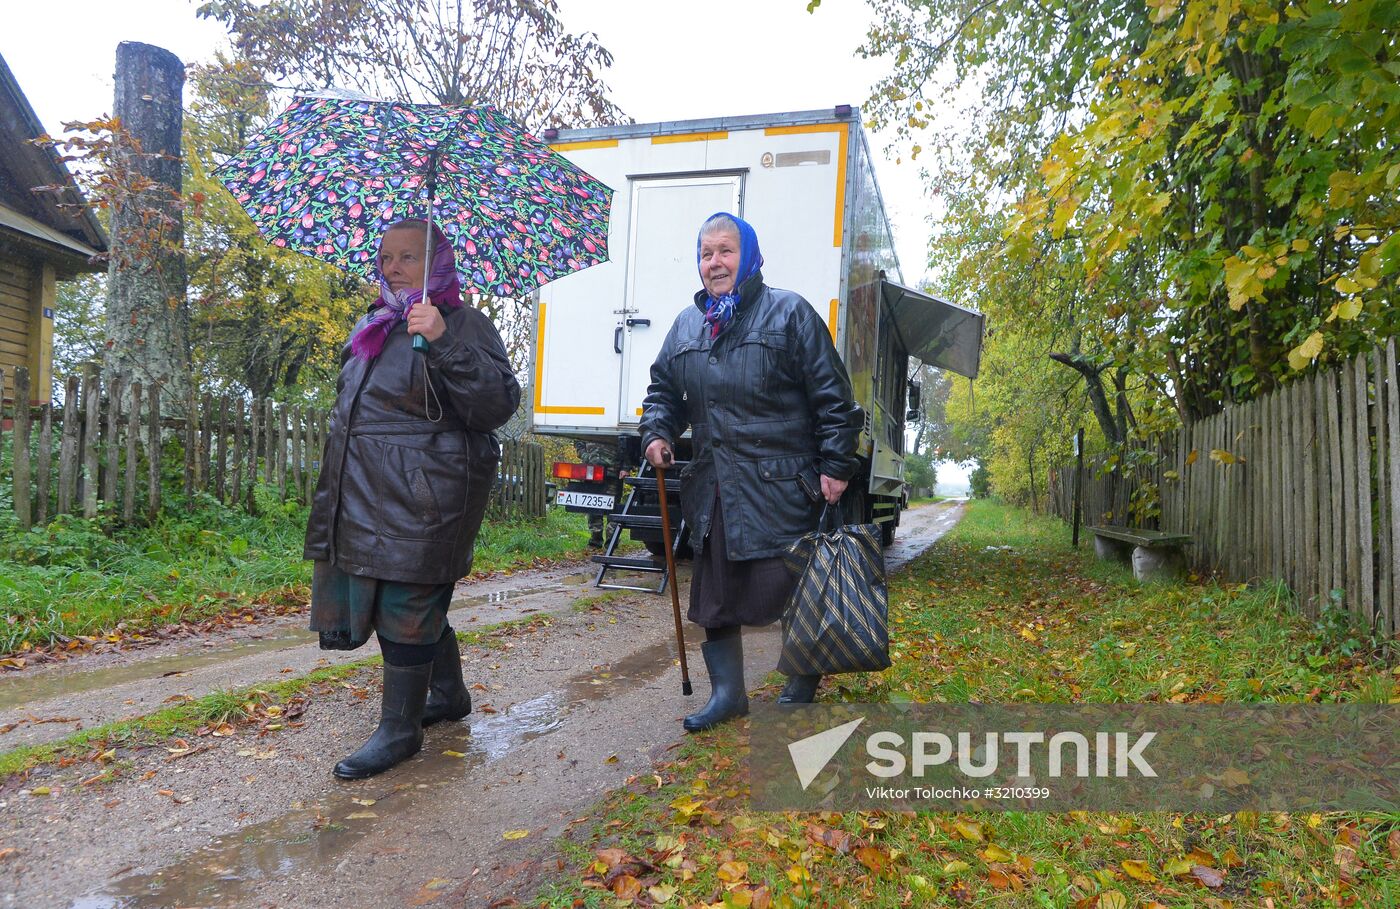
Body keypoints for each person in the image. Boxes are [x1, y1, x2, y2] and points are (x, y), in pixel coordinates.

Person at [304, 219, 521, 778]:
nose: (392, 268)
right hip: (364, 491)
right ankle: (446, 693)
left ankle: (400, 729)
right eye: (386, 257)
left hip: (428, 492)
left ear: (438, 265)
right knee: (388, 599)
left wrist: (445, 340)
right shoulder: (373, 326)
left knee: (408, 602)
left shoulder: (464, 323)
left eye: (407, 258)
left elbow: (496, 405)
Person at [639, 212, 862, 731]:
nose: (714, 263)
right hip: (717, 489)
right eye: (705, 253)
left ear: (749, 256)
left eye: (725, 251)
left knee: (796, 591)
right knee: (716, 597)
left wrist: (836, 463)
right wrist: (656, 432)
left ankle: (801, 685)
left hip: (785, 486)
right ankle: (728, 696)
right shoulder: (686, 326)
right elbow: (664, 392)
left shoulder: (790, 315)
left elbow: (833, 397)